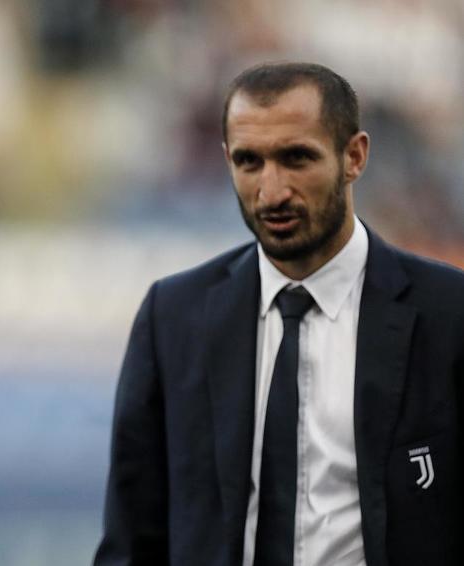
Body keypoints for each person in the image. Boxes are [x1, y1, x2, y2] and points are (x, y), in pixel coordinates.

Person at [94, 62, 464, 566]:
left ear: (354, 156)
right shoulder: (174, 317)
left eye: (296, 158)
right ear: (226, 160)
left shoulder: (447, 313)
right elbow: (132, 537)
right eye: (249, 162)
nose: (272, 190)